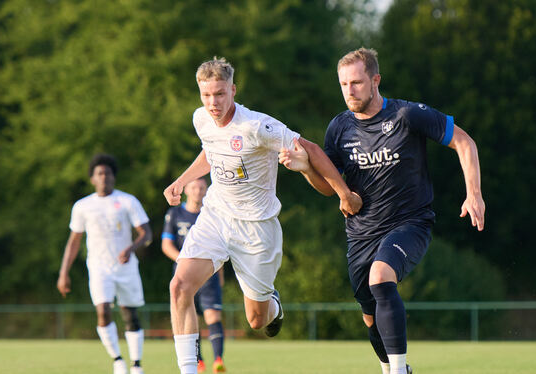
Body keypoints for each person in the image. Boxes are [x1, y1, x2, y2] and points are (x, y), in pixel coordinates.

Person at [279, 47, 485, 374]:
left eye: (357, 82)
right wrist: (306, 169)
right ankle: (391, 368)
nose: (350, 90)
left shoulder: (406, 115)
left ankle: (399, 371)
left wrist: (473, 194)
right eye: (344, 84)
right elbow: (333, 189)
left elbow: (464, 142)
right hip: (361, 233)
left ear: (376, 80)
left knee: (381, 277)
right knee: (370, 316)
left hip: (410, 223)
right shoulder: (339, 128)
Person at [163, 56, 363, 374]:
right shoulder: (200, 118)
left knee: (257, 320)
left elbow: (310, 149)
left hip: (256, 230)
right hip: (216, 216)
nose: (213, 102)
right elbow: (211, 151)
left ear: (233, 90)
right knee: (180, 287)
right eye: (206, 95)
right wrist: (181, 180)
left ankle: (274, 306)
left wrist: (344, 193)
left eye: (219, 94)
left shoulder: (256, 126)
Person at [57, 153, 152, 374]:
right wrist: (64, 273)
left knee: (130, 315)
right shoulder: (83, 206)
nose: (104, 177)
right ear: (92, 178)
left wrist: (131, 248)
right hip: (99, 268)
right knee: (103, 312)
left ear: (113, 177)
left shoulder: (127, 201)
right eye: (99, 173)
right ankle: (117, 359)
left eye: (107, 173)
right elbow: (73, 242)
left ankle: (136, 364)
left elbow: (146, 233)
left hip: (126, 267)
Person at [162, 177, 227, 373]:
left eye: (201, 187)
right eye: (194, 187)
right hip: (184, 275)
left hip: (210, 274)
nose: (198, 191)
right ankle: (197, 362)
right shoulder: (175, 213)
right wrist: (185, 261)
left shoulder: (212, 214)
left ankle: (218, 360)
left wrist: (220, 274)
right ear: (187, 190)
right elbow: (166, 245)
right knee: (191, 318)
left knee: (213, 316)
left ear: (207, 190)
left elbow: (220, 247)